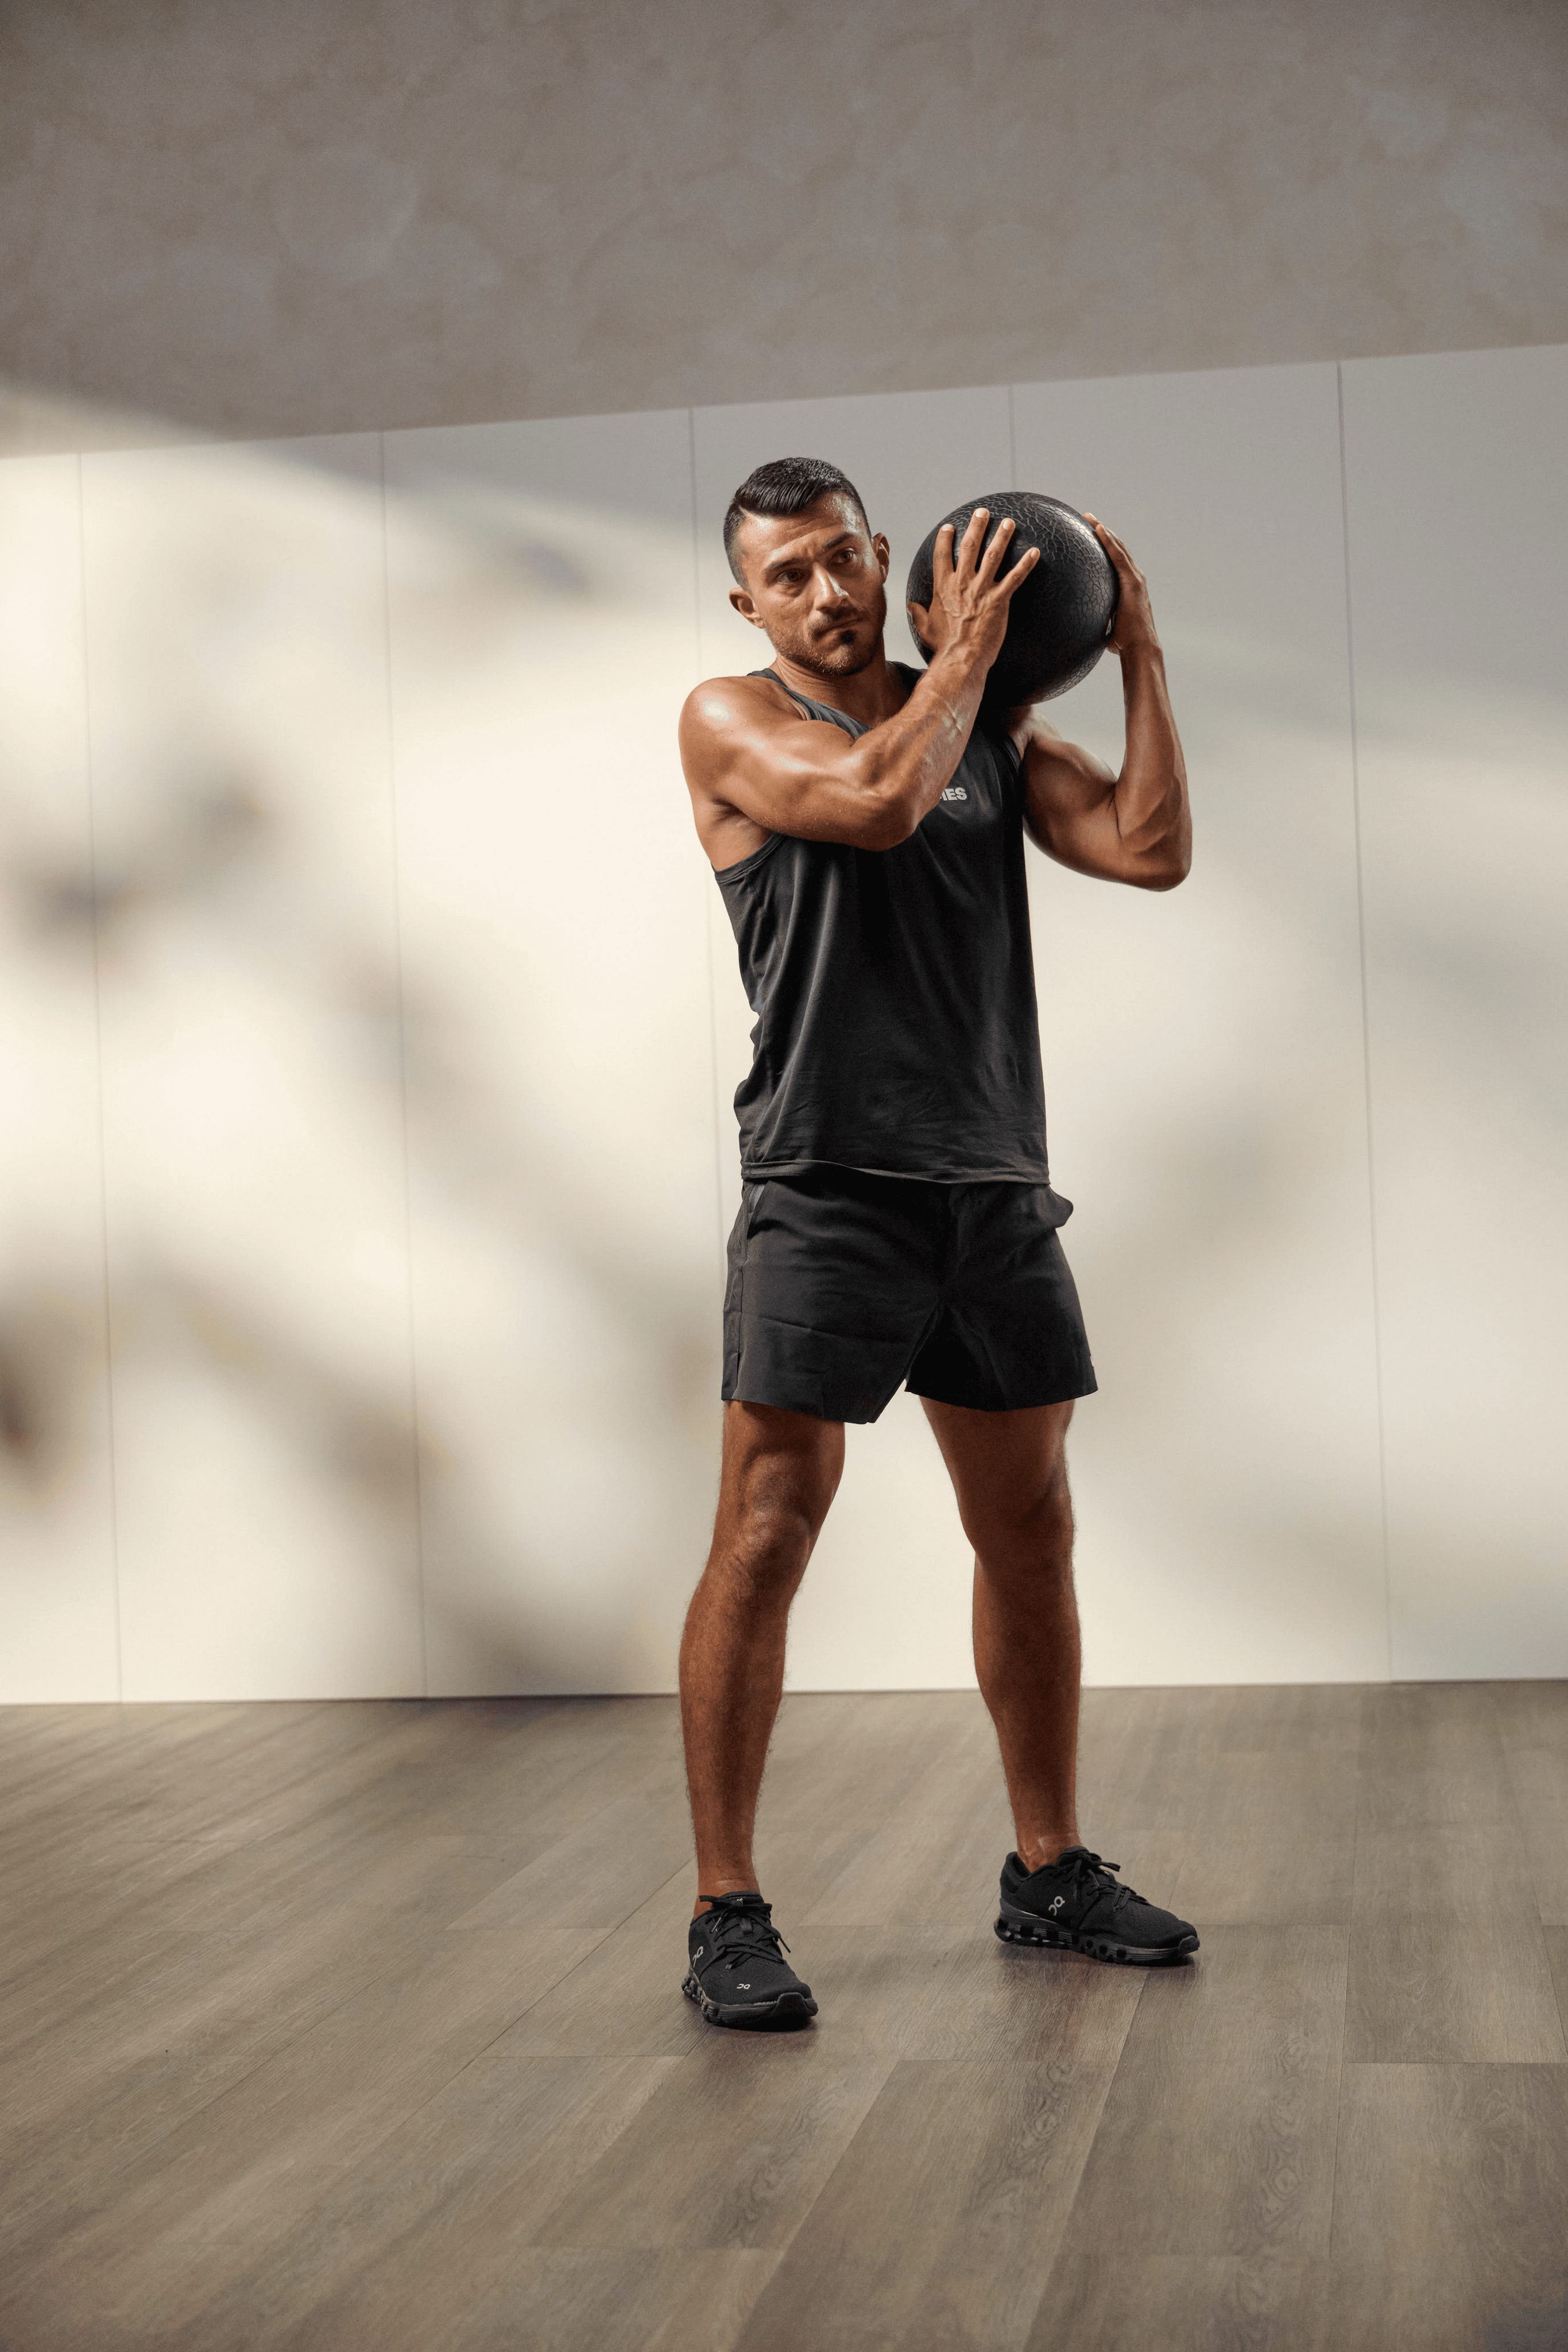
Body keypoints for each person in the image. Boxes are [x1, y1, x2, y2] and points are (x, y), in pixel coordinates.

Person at [676, 456, 1197, 2026]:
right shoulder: (730, 721)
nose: (827, 595)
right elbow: (874, 803)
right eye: (790, 576)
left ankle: (1046, 1869)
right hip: (823, 1184)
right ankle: (725, 1910)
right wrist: (970, 659)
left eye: (843, 560)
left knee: (1029, 1532)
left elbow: (1147, 848)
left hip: (987, 1184)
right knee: (768, 1533)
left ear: (882, 552)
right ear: (745, 601)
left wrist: (1139, 656)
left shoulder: (989, 726)